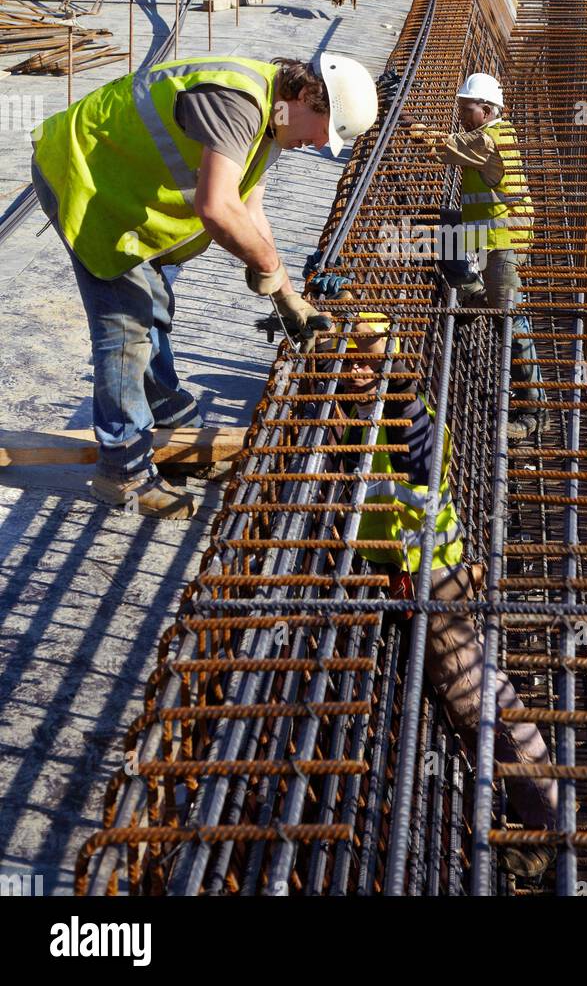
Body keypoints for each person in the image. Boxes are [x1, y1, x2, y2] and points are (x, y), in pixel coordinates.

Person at [30, 53, 378, 518]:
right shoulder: (238, 102)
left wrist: (287, 295)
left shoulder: (273, 122)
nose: (318, 145)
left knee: (153, 307)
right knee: (125, 330)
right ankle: (123, 472)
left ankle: (172, 423)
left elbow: (250, 211)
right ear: (304, 96)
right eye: (322, 130)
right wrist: (265, 263)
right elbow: (217, 208)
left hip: (128, 191)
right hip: (87, 182)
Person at [323, 309, 559, 880]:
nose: (356, 368)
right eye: (348, 357)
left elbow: (419, 457)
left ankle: (549, 826)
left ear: (394, 365)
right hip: (404, 578)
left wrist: (394, 378)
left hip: (435, 581)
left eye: (369, 359)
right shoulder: (356, 414)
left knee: (476, 696)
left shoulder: (409, 418)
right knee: (465, 703)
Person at [410, 72, 544, 442]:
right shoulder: (491, 133)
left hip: (504, 241)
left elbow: (441, 147)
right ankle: (472, 294)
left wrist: (405, 117)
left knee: (511, 321)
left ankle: (534, 413)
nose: (460, 113)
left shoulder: (488, 140)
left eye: (465, 107)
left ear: (485, 109)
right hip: (485, 233)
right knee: (438, 225)